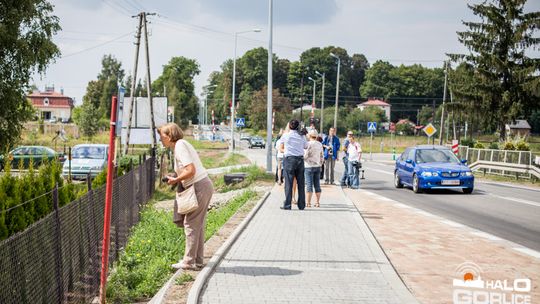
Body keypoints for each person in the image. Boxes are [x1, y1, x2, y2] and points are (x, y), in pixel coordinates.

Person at [158, 123, 214, 270]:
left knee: (190, 224)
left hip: (198, 186)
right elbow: (187, 170)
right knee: (198, 225)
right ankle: (197, 260)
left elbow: (191, 170)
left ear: (170, 136)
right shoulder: (182, 145)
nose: (161, 140)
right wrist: (176, 176)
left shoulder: (180, 146)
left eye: (162, 136)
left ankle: (188, 262)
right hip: (203, 184)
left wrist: (175, 180)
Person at [279, 119, 308, 210]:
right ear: (298, 126)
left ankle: (287, 204)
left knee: (288, 183)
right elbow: (306, 146)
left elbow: (280, 147)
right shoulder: (302, 136)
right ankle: (301, 205)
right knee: (301, 183)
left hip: (289, 160)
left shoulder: (285, 135)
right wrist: (304, 134)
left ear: (290, 126)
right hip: (300, 160)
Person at [304, 129, 323, 207]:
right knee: (317, 185)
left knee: (309, 185)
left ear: (309, 136)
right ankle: (317, 202)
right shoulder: (320, 144)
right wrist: (320, 163)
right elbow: (322, 156)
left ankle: (308, 203)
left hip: (309, 166)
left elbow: (305, 156)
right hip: (317, 166)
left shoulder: (308, 144)